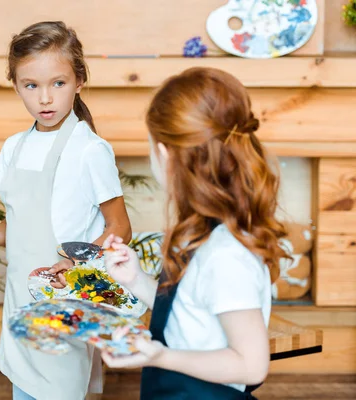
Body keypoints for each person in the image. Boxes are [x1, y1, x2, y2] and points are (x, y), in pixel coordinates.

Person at [0, 21, 131, 400]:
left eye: (57, 84)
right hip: (19, 299)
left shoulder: (89, 150)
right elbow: (25, 224)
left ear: (79, 80)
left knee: (58, 389)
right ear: (15, 85)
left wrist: (74, 264)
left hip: (63, 299)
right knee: (25, 390)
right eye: (31, 85)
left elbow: (119, 229)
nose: (45, 98)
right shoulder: (14, 147)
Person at [101, 67, 289, 399]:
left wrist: (161, 356)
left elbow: (251, 365)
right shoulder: (200, 230)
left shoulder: (226, 254)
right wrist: (136, 280)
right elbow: (188, 317)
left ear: (164, 153)